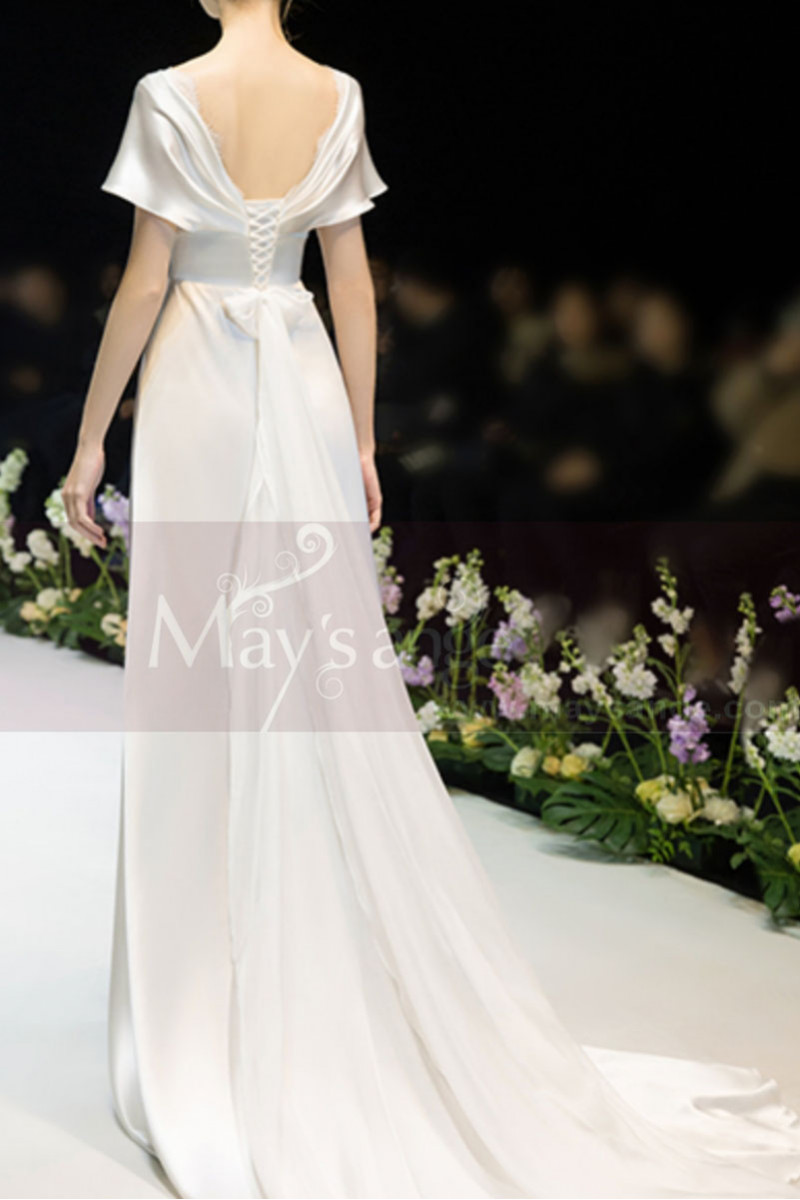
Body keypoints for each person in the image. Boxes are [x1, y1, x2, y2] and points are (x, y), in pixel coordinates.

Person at [62, 2, 800, 1196]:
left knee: (201, 677)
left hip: (201, 377)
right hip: (301, 375)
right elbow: (350, 285)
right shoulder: (337, 95)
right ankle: (307, 969)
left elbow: (148, 282)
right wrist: (358, 437)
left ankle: (201, 1003)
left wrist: (92, 438)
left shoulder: (168, 93)